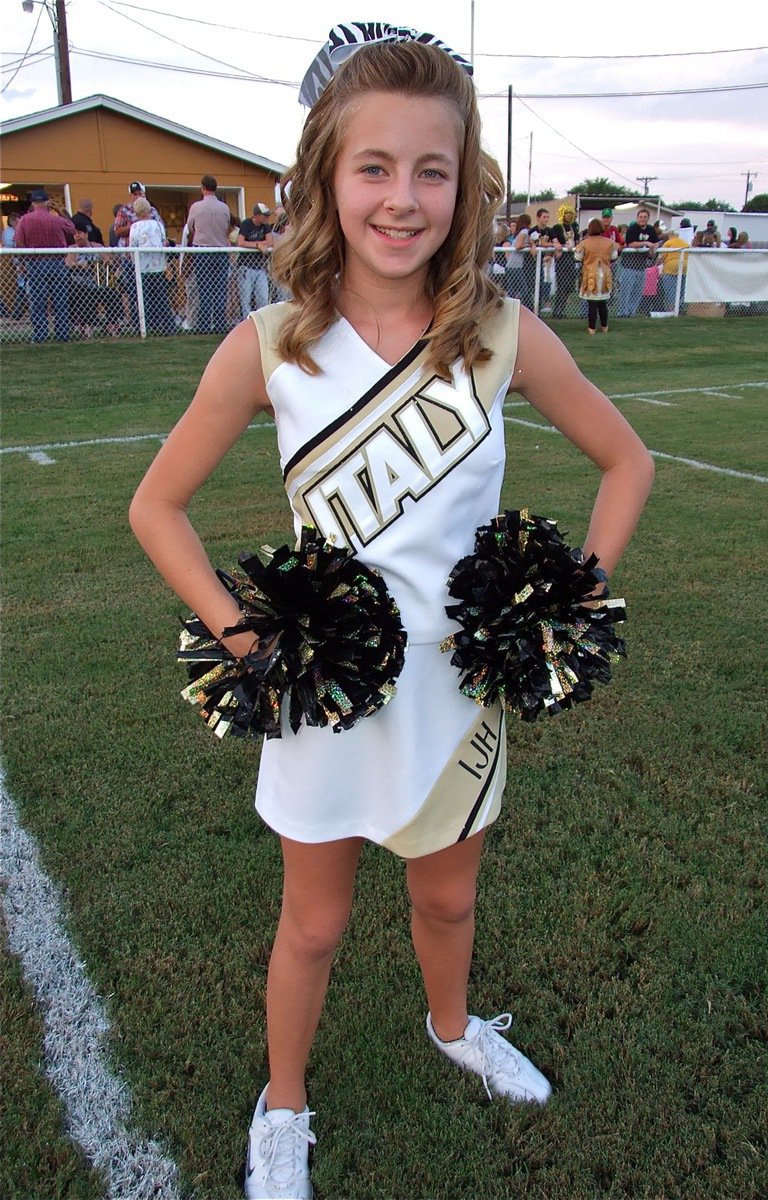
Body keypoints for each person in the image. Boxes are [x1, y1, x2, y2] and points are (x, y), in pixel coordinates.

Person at [129, 25, 654, 1200]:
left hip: (458, 689)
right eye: (373, 168)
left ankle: (452, 1026)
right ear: (325, 176)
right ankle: (284, 1102)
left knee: (447, 894)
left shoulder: (500, 336)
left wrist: (555, 606)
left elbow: (627, 462)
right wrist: (246, 639)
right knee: (311, 926)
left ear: (466, 187)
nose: (402, 199)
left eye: (431, 171)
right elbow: (155, 507)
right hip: (327, 692)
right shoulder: (271, 345)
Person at [13, 189, 75, 342]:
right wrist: (60, 211)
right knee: (60, 300)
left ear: (33, 203)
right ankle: (62, 334)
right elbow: (72, 228)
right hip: (57, 263)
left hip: (35, 263)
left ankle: (40, 335)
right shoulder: (56, 220)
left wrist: (24, 259)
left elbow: (19, 241)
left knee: (38, 301)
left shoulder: (25, 220)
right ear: (47, 202)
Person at [185, 174, 233, 334]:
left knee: (204, 289)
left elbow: (190, 227)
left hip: (203, 251)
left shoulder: (196, 207)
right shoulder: (224, 208)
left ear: (203, 188)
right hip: (221, 252)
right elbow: (227, 227)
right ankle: (220, 325)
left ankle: (204, 325)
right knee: (220, 289)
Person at [129, 195, 172, 334]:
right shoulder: (158, 225)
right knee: (161, 297)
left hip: (142, 267)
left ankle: (144, 326)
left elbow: (132, 246)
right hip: (158, 266)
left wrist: (134, 263)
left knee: (144, 298)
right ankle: (168, 326)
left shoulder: (135, 227)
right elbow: (164, 242)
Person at [574, 217, 617, 333]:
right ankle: (604, 326)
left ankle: (592, 328)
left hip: (590, 275)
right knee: (603, 303)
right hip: (605, 274)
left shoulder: (584, 243)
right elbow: (614, 257)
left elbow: (577, 257)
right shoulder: (609, 242)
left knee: (592, 304)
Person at [617, 208, 658, 318]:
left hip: (642, 266)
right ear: (637, 218)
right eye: (640, 217)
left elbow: (655, 243)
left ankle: (632, 312)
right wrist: (646, 243)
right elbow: (630, 244)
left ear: (648, 218)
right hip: (629, 265)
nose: (642, 219)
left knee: (637, 291)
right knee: (626, 291)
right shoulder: (633, 228)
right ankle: (622, 312)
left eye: (645, 217)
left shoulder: (651, 229)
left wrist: (652, 249)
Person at [237, 203, 273, 314]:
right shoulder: (246, 224)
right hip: (246, 267)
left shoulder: (265, 226)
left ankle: (262, 319)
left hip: (260, 267)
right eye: (264, 215)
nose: (267, 218)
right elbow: (240, 242)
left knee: (263, 298)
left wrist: (261, 244)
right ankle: (246, 320)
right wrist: (257, 245)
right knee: (246, 299)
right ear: (257, 215)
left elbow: (270, 241)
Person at [549, 203, 579, 318]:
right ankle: (557, 311)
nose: (569, 215)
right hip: (562, 259)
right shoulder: (557, 227)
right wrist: (562, 246)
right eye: (566, 213)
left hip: (571, 258)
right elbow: (554, 240)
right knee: (562, 285)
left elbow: (577, 241)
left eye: (570, 213)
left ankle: (562, 308)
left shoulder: (574, 227)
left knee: (570, 285)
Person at [658, 228, 690, 311]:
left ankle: (671, 309)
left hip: (670, 267)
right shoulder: (685, 243)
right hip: (684, 266)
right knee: (681, 289)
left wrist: (657, 263)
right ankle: (679, 307)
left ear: (669, 235)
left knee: (670, 290)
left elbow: (662, 256)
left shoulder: (668, 243)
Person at [502, 212, 531, 304]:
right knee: (523, 289)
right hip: (515, 265)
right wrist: (527, 245)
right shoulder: (524, 232)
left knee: (512, 289)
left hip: (511, 265)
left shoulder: (519, 233)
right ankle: (518, 304)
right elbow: (518, 246)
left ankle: (512, 305)